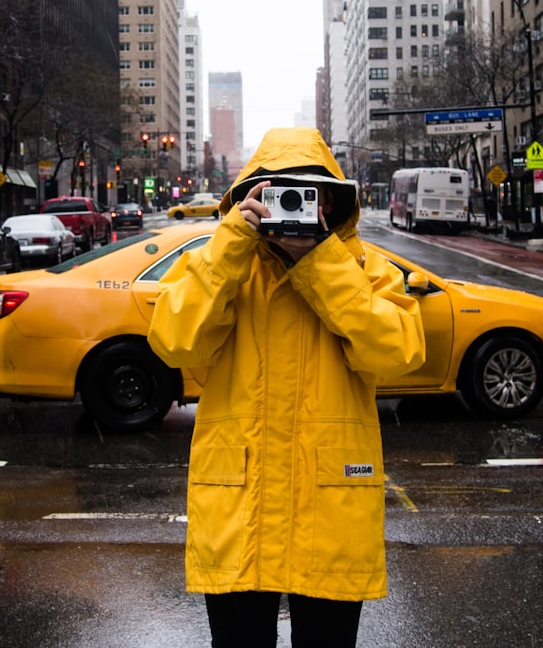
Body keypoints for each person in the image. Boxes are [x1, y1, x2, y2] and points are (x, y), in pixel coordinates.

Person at [147, 127, 426, 647]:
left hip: (332, 511)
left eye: (306, 194)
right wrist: (231, 241)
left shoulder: (363, 269)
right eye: (276, 193)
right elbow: (174, 343)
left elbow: (397, 354)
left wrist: (320, 262)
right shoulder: (222, 264)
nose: (290, 206)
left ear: (332, 203)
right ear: (251, 198)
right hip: (238, 509)